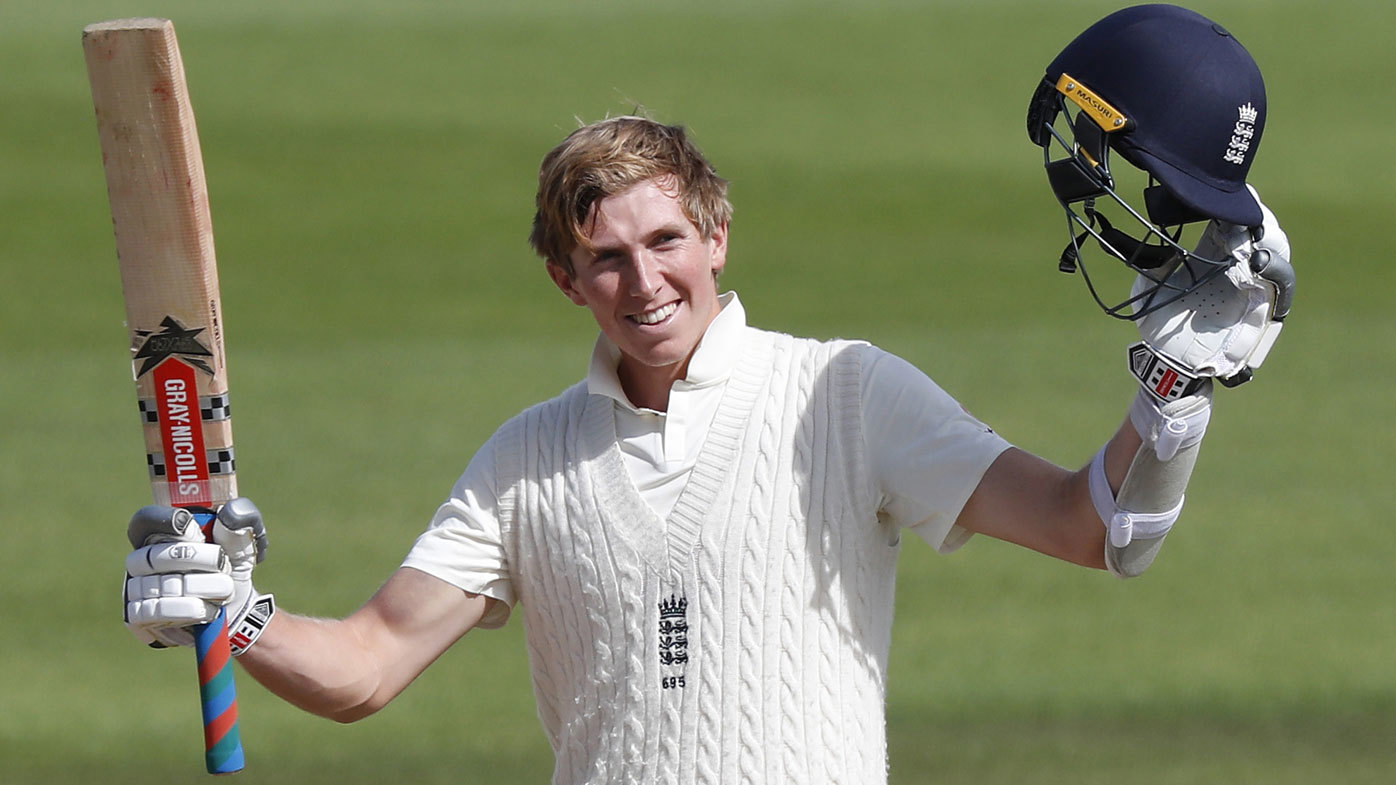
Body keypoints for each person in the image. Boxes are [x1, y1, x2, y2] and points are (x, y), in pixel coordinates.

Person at [121, 5, 1292, 783]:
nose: (646, 281)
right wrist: (236, 608)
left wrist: (1171, 408)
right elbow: (368, 665)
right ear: (565, 277)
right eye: (608, 257)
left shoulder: (844, 394)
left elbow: (1096, 529)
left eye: (667, 239)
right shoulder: (527, 460)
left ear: (717, 234)